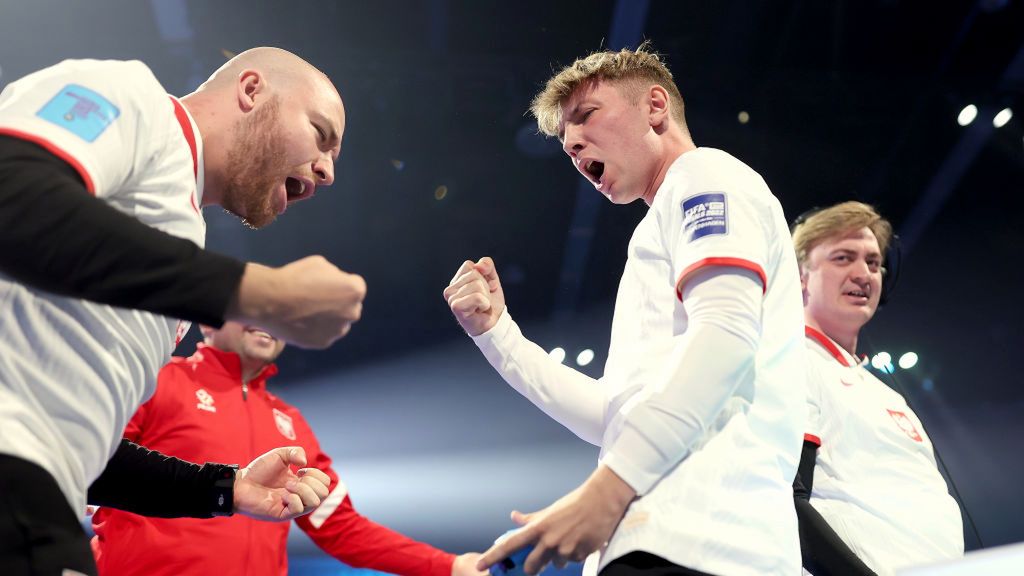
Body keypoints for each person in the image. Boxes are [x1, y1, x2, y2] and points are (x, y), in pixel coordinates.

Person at [444, 45, 807, 576]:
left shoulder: (704, 175)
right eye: (566, 143)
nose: (571, 143)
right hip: (664, 539)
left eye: (586, 116)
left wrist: (608, 490)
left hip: (706, 539)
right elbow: (613, 415)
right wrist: (496, 334)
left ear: (655, 107)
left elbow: (725, 334)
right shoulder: (661, 219)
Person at [0, 47, 364, 575]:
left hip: (40, 490)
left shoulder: (179, 235)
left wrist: (224, 488)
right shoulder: (132, 97)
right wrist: (254, 291)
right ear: (252, 89)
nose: (328, 171)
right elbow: (11, 194)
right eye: (320, 132)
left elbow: (88, 448)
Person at [91, 321, 486, 576]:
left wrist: (448, 565)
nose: (268, 319)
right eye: (254, 305)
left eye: (279, 313)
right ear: (209, 320)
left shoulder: (291, 423)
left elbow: (340, 527)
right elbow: (86, 465)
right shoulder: (157, 378)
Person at [790, 202, 964, 575]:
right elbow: (784, 499)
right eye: (843, 258)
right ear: (801, 275)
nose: (863, 274)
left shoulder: (886, 394)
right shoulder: (790, 359)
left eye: (873, 262)